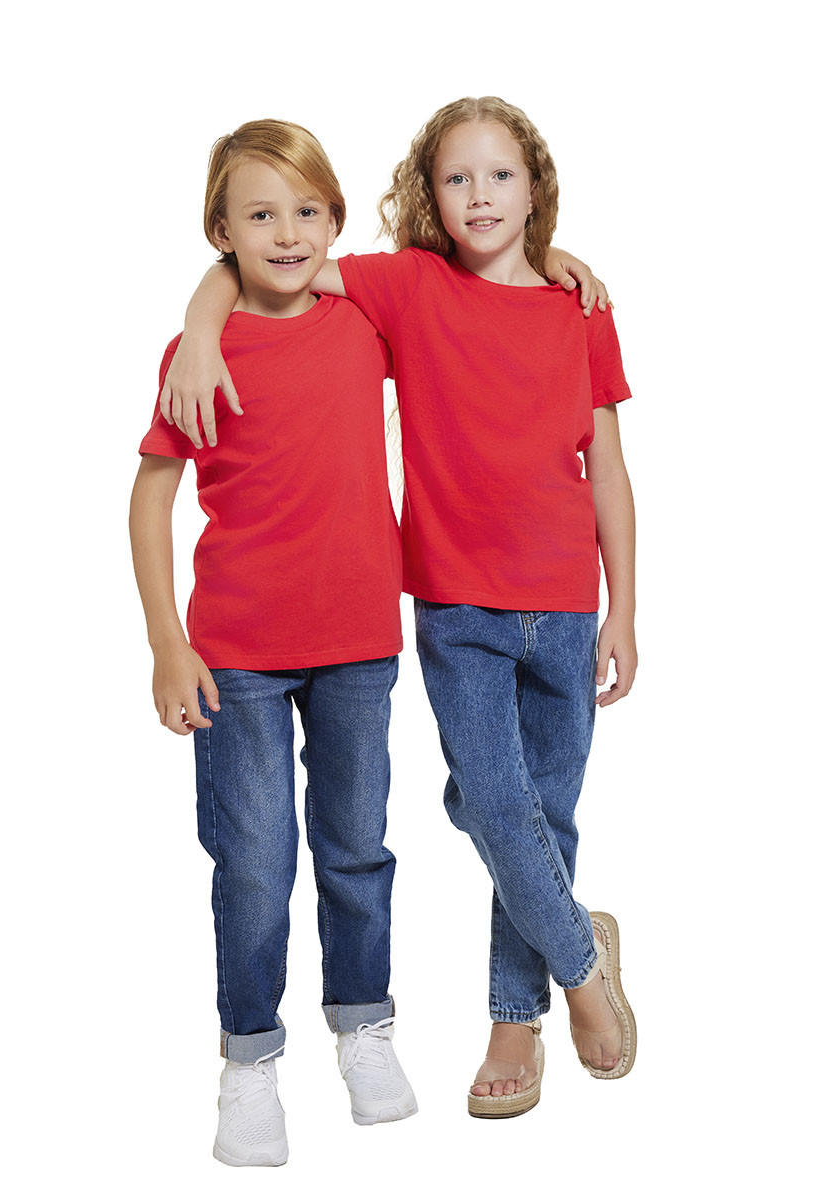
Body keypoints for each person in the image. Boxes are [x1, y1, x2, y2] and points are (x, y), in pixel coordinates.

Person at [159, 96, 635, 1121]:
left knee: (537, 815)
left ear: (536, 189)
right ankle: (580, 965)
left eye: (500, 176)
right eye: (456, 178)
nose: (479, 196)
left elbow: (607, 466)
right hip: (452, 605)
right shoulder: (406, 287)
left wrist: (626, 608)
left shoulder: (578, 307)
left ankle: (513, 1019)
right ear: (427, 194)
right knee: (493, 804)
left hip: (563, 602)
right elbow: (263, 262)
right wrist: (198, 324)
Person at [128, 119, 417, 1168]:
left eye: (305, 212)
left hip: (357, 642)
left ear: (335, 222)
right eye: (259, 215)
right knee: (252, 863)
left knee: (356, 848)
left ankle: (363, 1024)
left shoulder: (366, 320)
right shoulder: (195, 356)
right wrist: (166, 642)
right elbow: (150, 500)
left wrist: (555, 255)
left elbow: (469, 285)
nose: (286, 233)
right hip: (236, 652)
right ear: (222, 232)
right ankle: (249, 1058)